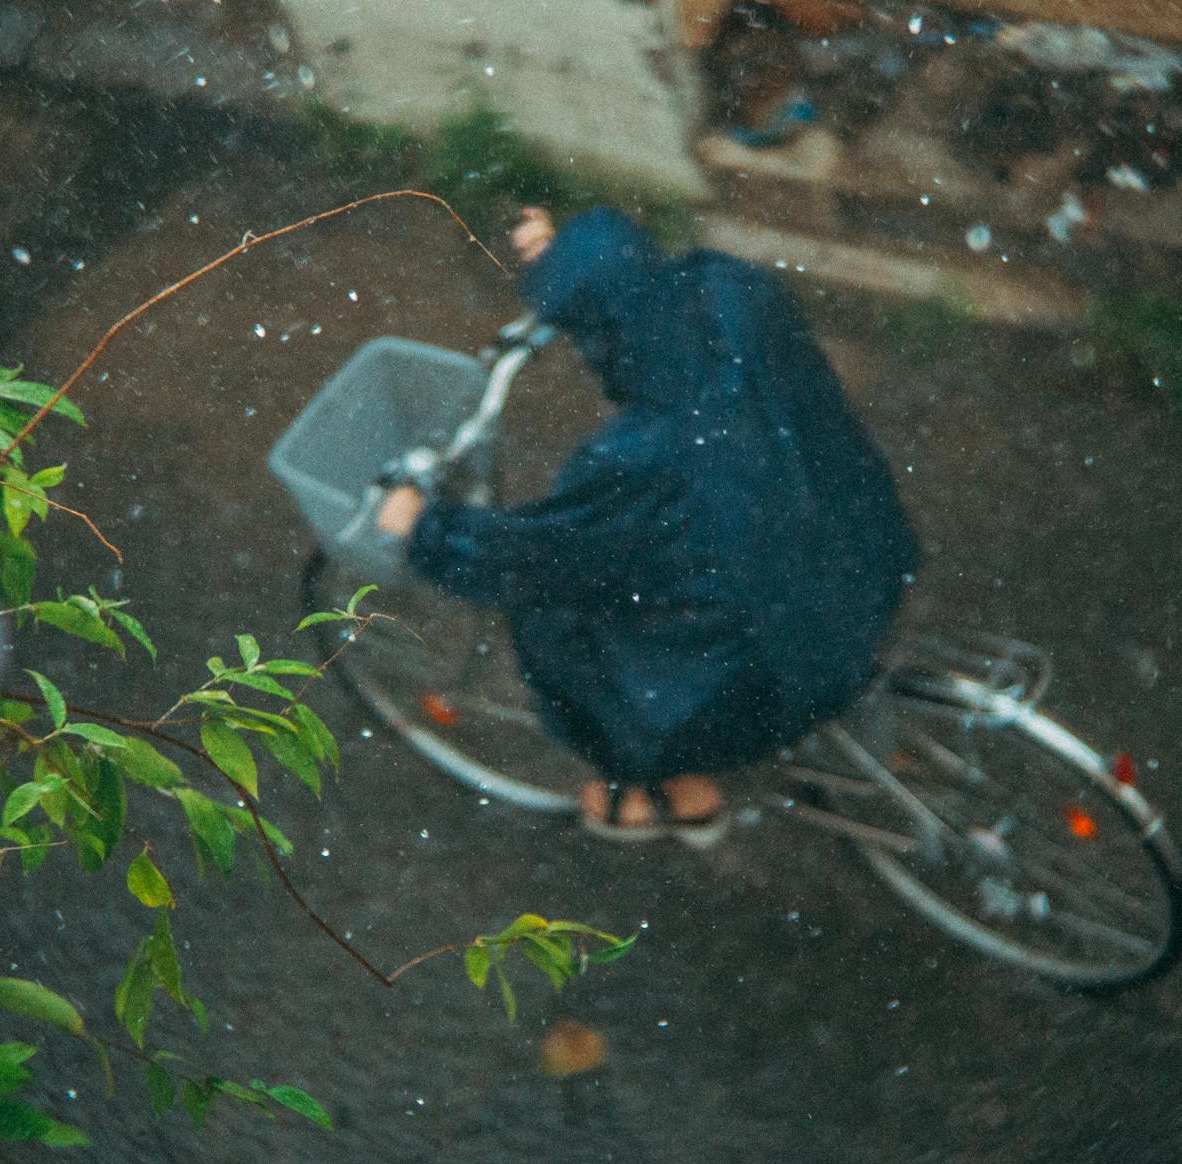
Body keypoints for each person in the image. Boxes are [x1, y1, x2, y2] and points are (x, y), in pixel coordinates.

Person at [377, 205, 917, 845]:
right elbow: (635, 292)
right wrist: (577, 257)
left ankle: (660, 787)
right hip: (865, 556)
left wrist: (425, 529)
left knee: (561, 620)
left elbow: (530, 560)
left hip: (790, 668)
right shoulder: (733, 292)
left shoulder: (643, 461)